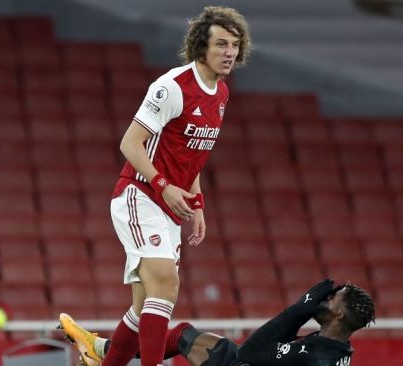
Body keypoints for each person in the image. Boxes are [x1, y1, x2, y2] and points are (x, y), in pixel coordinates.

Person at [104, 6, 251, 366]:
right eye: (221, 44)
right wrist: (163, 184)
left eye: (234, 44)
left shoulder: (221, 94)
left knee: (142, 310)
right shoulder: (171, 87)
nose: (229, 52)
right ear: (202, 46)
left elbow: (191, 155)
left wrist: (198, 203)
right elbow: (130, 144)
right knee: (167, 286)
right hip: (140, 194)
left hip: (170, 205)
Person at [58, 279, 375, 366]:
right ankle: (99, 349)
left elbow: (252, 352)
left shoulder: (317, 357)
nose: (324, 298)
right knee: (184, 335)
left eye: (333, 298)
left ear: (340, 314)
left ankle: (100, 352)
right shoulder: (334, 347)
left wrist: (299, 308)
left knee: (188, 337)